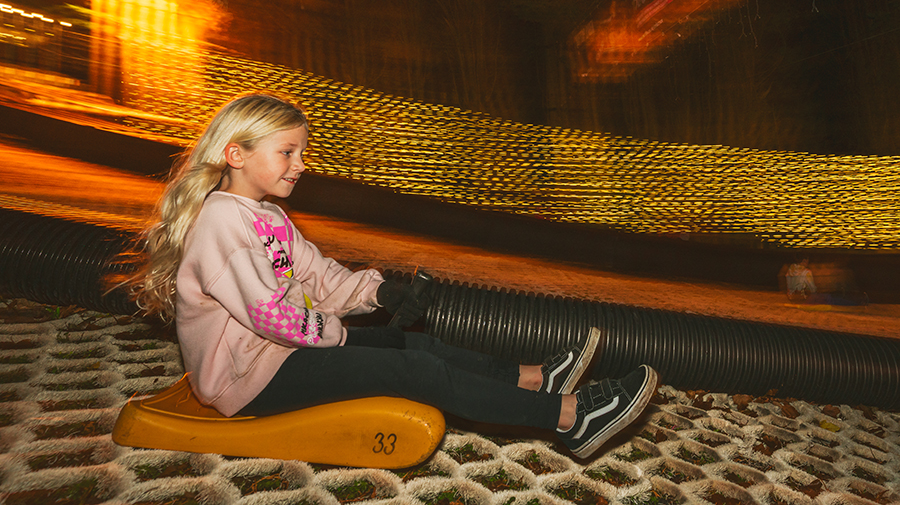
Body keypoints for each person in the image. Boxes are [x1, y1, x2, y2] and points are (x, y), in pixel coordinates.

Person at [124, 92, 658, 459]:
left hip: (278, 358)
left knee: (401, 340)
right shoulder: (220, 219)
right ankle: (569, 418)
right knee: (416, 372)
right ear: (235, 154)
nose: (300, 164)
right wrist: (334, 334)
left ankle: (535, 378)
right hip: (249, 382)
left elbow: (317, 276)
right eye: (287, 152)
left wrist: (378, 290)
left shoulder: (269, 217)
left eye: (302, 152)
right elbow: (270, 313)